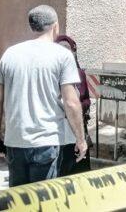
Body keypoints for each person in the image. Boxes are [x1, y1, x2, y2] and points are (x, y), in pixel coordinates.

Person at [0, 5, 87, 186]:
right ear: (55, 26)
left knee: (20, 198)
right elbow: (71, 102)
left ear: (32, 27)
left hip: (15, 141)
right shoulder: (62, 56)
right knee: (44, 197)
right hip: (47, 142)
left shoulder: (10, 54)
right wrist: (80, 139)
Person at [55, 35, 92, 175]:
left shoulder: (79, 73)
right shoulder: (50, 72)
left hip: (75, 127)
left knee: (77, 168)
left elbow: (85, 99)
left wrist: (79, 109)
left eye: (67, 49)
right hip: (57, 129)